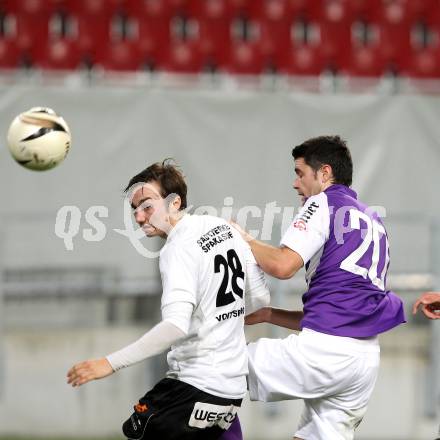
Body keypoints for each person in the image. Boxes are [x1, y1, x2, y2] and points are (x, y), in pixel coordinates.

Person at [67, 161, 269, 440]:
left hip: (192, 386)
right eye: (134, 210)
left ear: (175, 203)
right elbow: (260, 298)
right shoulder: (224, 227)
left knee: (136, 431)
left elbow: (175, 326)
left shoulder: (177, 248)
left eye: (147, 206)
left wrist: (109, 362)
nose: (138, 217)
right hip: (231, 392)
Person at [233, 135, 406, 440]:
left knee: (213, 368)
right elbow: (343, 310)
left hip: (325, 353)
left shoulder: (324, 202)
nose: (295, 183)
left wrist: (244, 239)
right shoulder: (373, 218)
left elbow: (283, 266)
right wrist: (270, 315)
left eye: (300, 173)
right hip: (363, 361)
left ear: (324, 173)